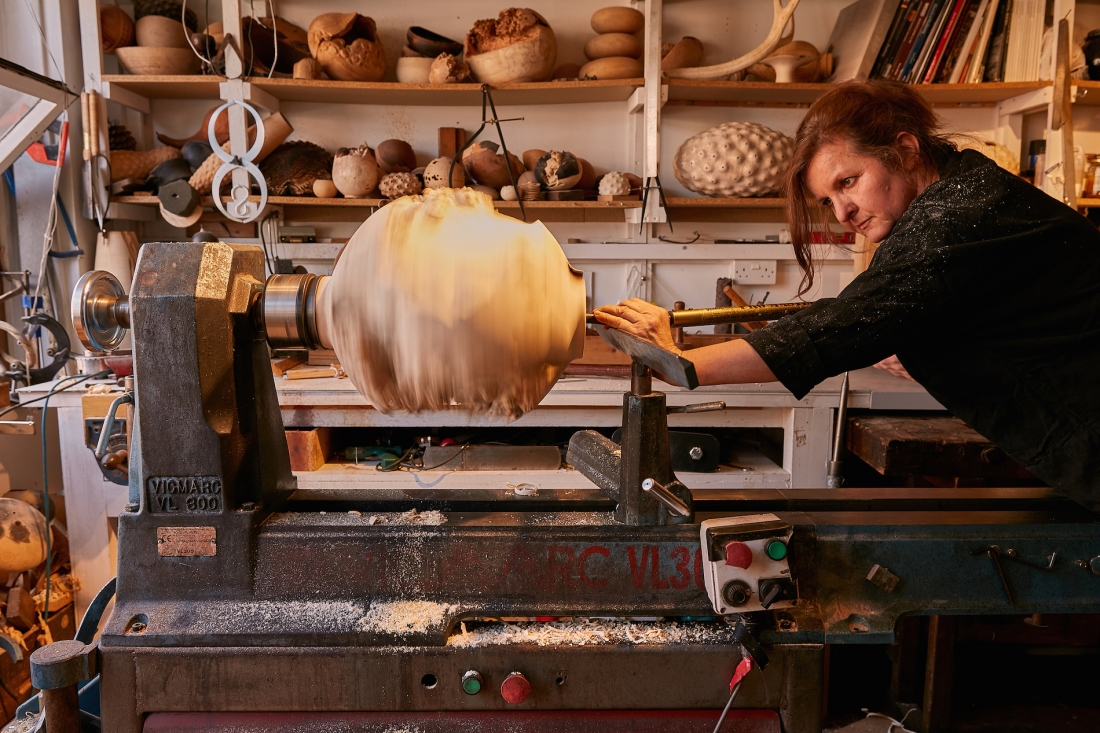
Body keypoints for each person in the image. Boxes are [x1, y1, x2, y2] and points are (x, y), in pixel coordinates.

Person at [594, 79, 1100, 510]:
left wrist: (681, 359)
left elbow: (845, 324)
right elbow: (886, 309)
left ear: (905, 148)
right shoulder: (957, 191)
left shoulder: (955, 219)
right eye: (829, 199)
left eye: (849, 182)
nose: (843, 213)